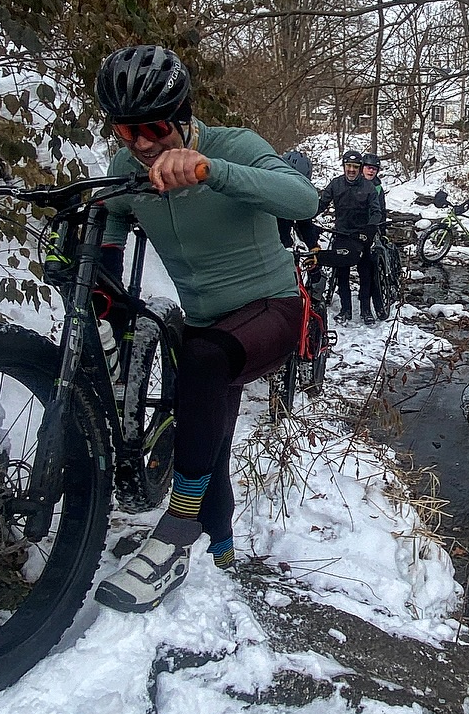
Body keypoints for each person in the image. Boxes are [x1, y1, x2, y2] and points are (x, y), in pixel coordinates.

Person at [89, 45, 320, 612]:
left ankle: (177, 528)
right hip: (207, 320)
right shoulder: (128, 170)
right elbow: (113, 220)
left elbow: (303, 198)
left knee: (202, 364)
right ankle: (222, 551)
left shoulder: (232, 146)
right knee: (206, 429)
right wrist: (101, 269)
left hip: (274, 309)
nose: (143, 144)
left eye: (154, 128)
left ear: (183, 115)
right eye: (127, 131)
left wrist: (208, 170)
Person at [318, 149, 382, 321]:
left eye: (355, 166)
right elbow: (321, 204)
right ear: (344, 167)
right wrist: (307, 217)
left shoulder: (368, 187)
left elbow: (377, 212)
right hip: (341, 234)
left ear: (359, 168)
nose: (351, 170)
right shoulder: (335, 184)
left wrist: (370, 228)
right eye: (348, 166)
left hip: (362, 237)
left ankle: (366, 311)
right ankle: (346, 310)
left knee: (365, 274)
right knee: (342, 274)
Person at [276, 148, 321, 250]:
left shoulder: (298, 198)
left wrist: (313, 246)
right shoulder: (266, 191)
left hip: (283, 247)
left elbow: (304, 222)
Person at [361, 154, 387, 231]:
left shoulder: (378, 189)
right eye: (369, 168)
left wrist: (382, 232)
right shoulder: (353, 184)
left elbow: (382, 211)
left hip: (370, 228)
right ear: (362, 168)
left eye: (374, 169)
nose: (371, 171)